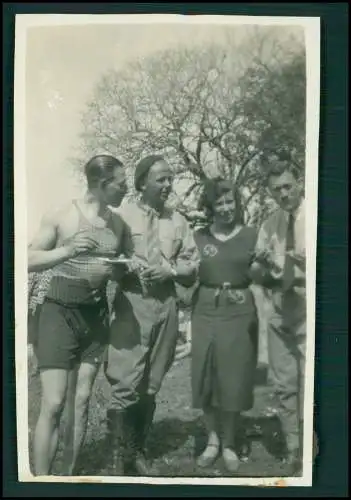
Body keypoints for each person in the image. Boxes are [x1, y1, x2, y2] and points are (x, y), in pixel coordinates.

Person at [28, 154, 128, 476]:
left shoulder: (118, 224)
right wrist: (67, 250)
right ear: (102, 184)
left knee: (81, 401)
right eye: (121, 184)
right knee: (55, 402)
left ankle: (67, 477)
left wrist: (127, 269)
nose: (126, 190)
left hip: (95, 316)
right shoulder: (62, 215)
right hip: (58, 312)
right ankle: (40, 481)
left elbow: (122, 269)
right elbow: (26, 258)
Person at [104, 154, 200, 475]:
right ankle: (119, 460)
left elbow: (192, 264)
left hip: (167, 306)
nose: (168, 185)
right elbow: (107, 259)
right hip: (133, 303)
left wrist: (169, 270)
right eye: (161, 179)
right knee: (125, 381)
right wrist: (127, 265)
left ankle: (137, 453)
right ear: (142, 181)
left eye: (171, 179)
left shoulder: (179, 221)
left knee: (151, 383)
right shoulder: (121, 216)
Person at [190, 178, 259, 473]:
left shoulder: (253, 235)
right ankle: (213, 441)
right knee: (206, 375)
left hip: (239, 310)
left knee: (232, 377)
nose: (226, 208)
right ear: (209, 207)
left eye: (230, 201)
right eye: (219, 203)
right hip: (205, 309)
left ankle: (230, 443)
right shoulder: (198, 237)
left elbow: (260, 273)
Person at [250, 153, 306, 476]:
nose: (283, 194)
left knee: (313, 382)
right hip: (280, 312)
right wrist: (262, 264)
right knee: (285, 385)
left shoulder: (316, 215)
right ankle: (293, 450)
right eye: (276, 190)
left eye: (287, 186)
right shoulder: (270, 223)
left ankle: (318, 444)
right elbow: (256, 270)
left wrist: (300, 266)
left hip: (310, 310)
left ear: (298, 181)